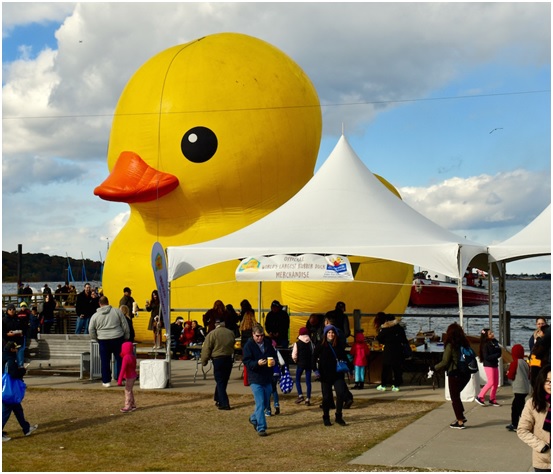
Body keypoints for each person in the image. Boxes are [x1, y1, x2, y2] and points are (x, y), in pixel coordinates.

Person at [432, 322, 472, 429]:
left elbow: (445, 361)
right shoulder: (465, 343)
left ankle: (460, 421)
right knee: (457, 396)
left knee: (454, 398)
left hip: (454, 373)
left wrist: (434, 368)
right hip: (466, 373)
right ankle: (461, 415)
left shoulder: (450, 345)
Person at [242, 323, 278, 437]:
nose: (260, 338)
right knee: (260, 402)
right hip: (255, 378)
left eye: (262, 335)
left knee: (266, 403)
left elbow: (274, 356)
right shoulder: (248, 346)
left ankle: (253, 418)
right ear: (253, 335)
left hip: (267, 378)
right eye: (257, 336)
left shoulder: (268, 344)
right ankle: (261, 427)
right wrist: (257, 363)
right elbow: (246, 362)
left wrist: (274, 362)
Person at [89, 296, 130, 388]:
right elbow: (124, 324)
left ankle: (106, 381)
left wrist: (96, 338)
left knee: (105, 361)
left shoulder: (95, 316)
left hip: (103, 339)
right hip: (117, 337)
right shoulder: (117, 311)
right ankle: (120, 379)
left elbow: (91, 329)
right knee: (119, 360)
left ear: (99, 304)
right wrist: (126, 336)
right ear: (108, 302)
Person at [313, 325, 349, 426]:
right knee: (327, 397)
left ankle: (338, 416)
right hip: (325, 375)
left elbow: (345, 357)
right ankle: (326, 417)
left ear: (335, 334)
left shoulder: (338, 345)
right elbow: (314, 358)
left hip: (338, 374)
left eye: (332, 333)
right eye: (329, 333)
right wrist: (315, 370)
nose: (331, 334)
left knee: (340, 393)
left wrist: (350, 370)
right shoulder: (320, 345)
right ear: (325, 334)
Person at [517, 365, 551, 472]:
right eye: (548, 381)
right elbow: (522, 430)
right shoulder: (533, 403)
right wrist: (542, 447)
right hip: (543, 461)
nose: (551, 384)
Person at [2, 341, 38, 441]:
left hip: (7, 389)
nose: (17, 350)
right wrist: (22, 370)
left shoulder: (4, 356)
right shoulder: (10, 359)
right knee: (5, 412)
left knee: (18, 410)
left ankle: (26, 429)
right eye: (15, 348)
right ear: (11, 349)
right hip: (9, 391)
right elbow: (13, 374)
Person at [201, 320, 236, 411]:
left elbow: (206, 348)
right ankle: (217, 398)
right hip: (228, 359)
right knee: (224, 380)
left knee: (220, 381)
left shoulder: (212, 334)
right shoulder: (230, 333)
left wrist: (204, 361)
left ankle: (224, 403)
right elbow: (233, 344)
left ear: (216, 325)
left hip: (218, 359)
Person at [374, 312, 408, 392]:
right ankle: (396, 386)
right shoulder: (400, 328)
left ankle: (383, 385)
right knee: (397, 369)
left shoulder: (385, 328)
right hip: (398, 350)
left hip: (388, 350)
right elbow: (404, 340)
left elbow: (379, 338)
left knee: (385, 369)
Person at [506, 343, 531, 431]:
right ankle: (515, 423)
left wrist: (508, 374)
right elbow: (529, 375)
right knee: (516, 406)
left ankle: (524, 424)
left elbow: (511, 375)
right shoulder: (525, 362)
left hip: (518, 388)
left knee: (519, 408)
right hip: (525, 388)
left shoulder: (515, 362)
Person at [475, 328, 502, 407]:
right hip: (488, 365)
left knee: (496, 383)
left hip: (494, 364)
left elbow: (499, 351)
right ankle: (480, 396)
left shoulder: (495, 342)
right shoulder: (485, 345)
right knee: (491, 382)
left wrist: (497, 354)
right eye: (490, 333)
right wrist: (496, 355)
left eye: (492, 332)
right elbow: (486, 357)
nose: (492, 334)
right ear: (486, 336)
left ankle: (492, 399)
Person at [292, 326, 314, 405]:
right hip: (309, 364)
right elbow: (313, 352)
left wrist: (296, 360)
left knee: (297, 379)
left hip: (300, 363)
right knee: (308, 381)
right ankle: (308, 399)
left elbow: (294, 355)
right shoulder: (310, 343)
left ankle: (300, 395)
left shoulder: (297, 343)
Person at [117, 341, 137, 413]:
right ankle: (133, 404)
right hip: (133, 375)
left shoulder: (125, 357)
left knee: (127, 390)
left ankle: (127, 405)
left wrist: (119, 380)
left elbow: (123, 369)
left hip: (129, 376)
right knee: (130, 390)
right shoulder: (132, 356)